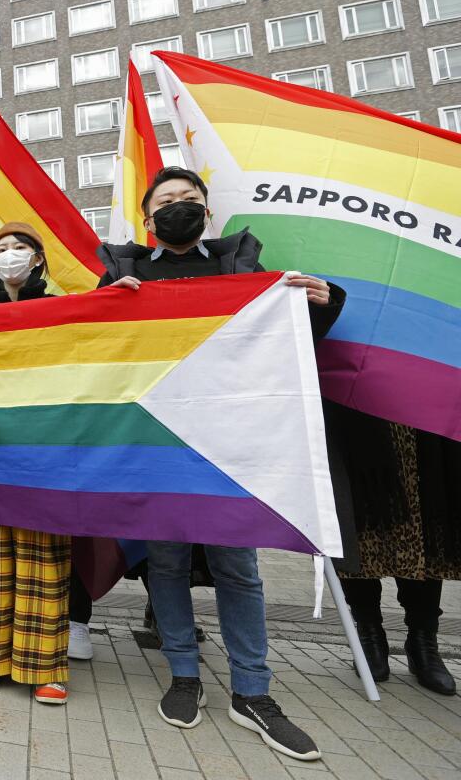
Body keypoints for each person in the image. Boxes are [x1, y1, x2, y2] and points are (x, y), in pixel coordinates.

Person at [97, 167, 344, 760]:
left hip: (233, 445)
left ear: (207, 212)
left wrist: (324, 305)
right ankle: (184, 675)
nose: (180, 207)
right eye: (168, 201)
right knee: (168, 565)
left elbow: (284, 342)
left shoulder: (242, 270)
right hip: (157, 444)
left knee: (239, 567)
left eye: (191, 200)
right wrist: (109, 304)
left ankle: (253, 691)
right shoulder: (125, 273)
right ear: (147, 215)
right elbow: (94, 349)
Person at [0, 222, 78, 705]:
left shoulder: (62, 311)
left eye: (20, 247)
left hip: (45, 453)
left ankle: (45, 665)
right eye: (2, 249)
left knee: (42, 559)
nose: (11, 255)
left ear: (38, 259)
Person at [329, 407, 458, 696]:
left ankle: (424, 642)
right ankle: (370, 635)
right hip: (357, 406)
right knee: (361, 532)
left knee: (423, 527)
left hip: (419, 412)